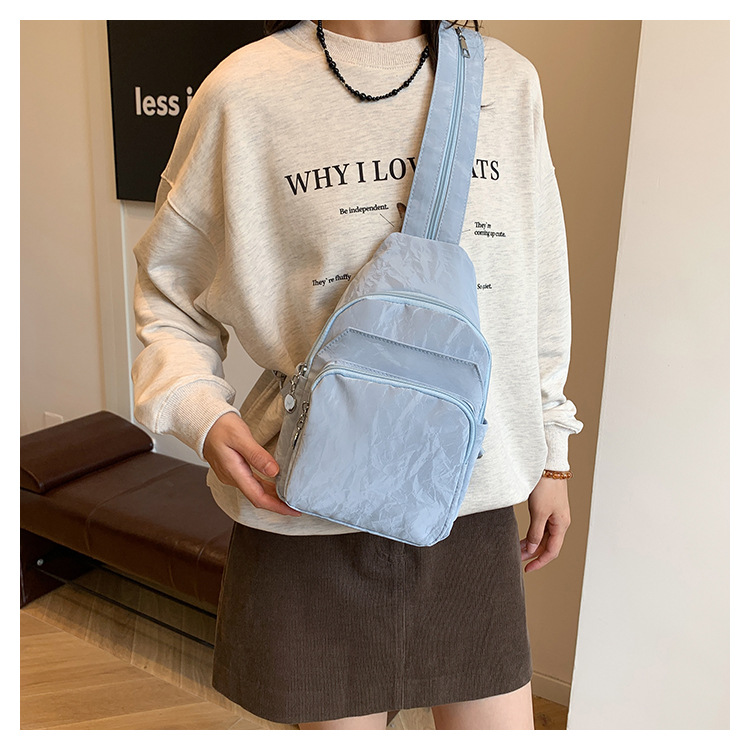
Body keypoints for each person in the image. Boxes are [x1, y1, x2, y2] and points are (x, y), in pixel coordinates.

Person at [131, 19, 584, 730]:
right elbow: (169, 297)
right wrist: (199, 410)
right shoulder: (243, 92)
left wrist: (552, 452)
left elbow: (539, 286)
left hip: (469, 498)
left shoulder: (506, 81)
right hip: (310, 500)